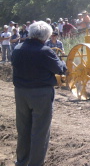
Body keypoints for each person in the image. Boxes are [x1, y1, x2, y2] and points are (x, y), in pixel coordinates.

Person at [11, 21, 66, 166]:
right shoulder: (45, 51)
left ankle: (21, 161)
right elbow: (59, 69)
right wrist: (62, 63)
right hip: (41, 93)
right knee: (40, 131)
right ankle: (35, 163)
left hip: (21, 93)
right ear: (46, 36)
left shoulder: (17, 49)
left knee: (23, 129)